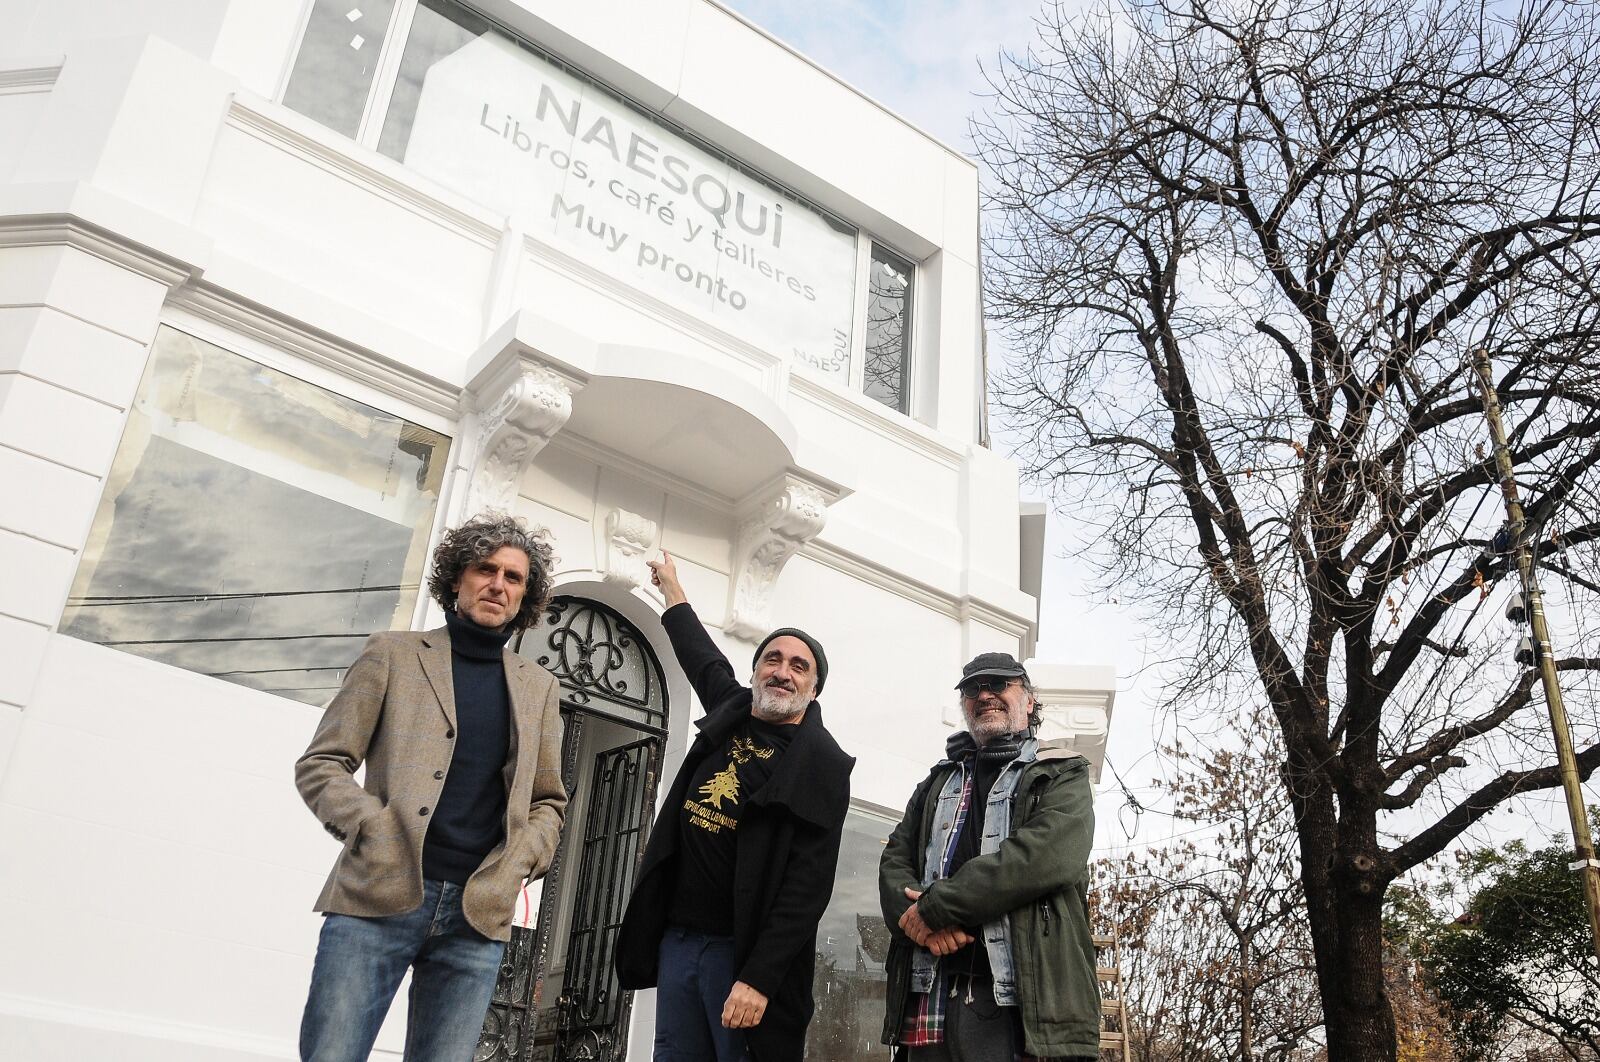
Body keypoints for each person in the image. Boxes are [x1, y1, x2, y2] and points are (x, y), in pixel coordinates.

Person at [294, 513, 568, 1062]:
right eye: (485, 569)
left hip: (478, 913)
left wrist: (519, 861)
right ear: (456, 580)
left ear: (526, 596)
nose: (498, 584)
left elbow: (548, 800)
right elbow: (323, 762)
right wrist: (372, 826)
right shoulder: (391, 653)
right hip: (375, 897)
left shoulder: (538, 687)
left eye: (514, 577)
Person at [615, 550, 855, 1062]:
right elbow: (700, 655)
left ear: (813, 690)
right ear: (754, 674)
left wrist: (758, 978)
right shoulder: (732, 712)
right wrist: (673, 589)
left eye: (799, 666)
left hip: (740, 954)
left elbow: (807, 890)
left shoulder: (821, 766)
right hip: (680, 943)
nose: (783, 672)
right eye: (772, 659)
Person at [879, 653, 1101, 1061]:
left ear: (1029, 701)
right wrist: (918, 925)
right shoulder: (935, 782)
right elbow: (894, 859)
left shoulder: (1062, 774)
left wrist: (937, 907)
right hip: (931, 995)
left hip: (1020, 1007)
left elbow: (1040, 858)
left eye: (998, 685)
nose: (984, 695)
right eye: (972, 689)